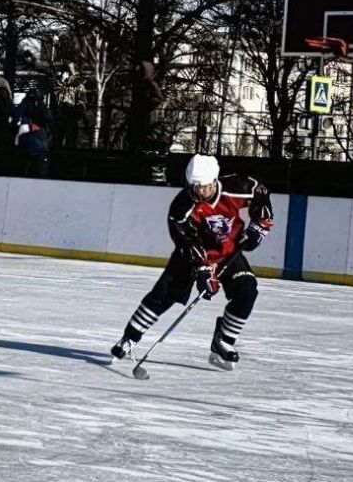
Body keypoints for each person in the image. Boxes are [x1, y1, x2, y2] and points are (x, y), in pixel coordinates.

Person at [109, 154, 274, 371]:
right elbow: (187, 242)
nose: (198, 192)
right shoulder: (181, 207)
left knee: (247, 290)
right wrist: (204, 271)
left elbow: (261, 194)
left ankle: (223, 341)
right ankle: (129, 338)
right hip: (191, 257)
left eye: (203, 187)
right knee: (162, 296)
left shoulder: (238, 186)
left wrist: (258, 228)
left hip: (228, 252)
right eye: (193, 186)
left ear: (214, 181)